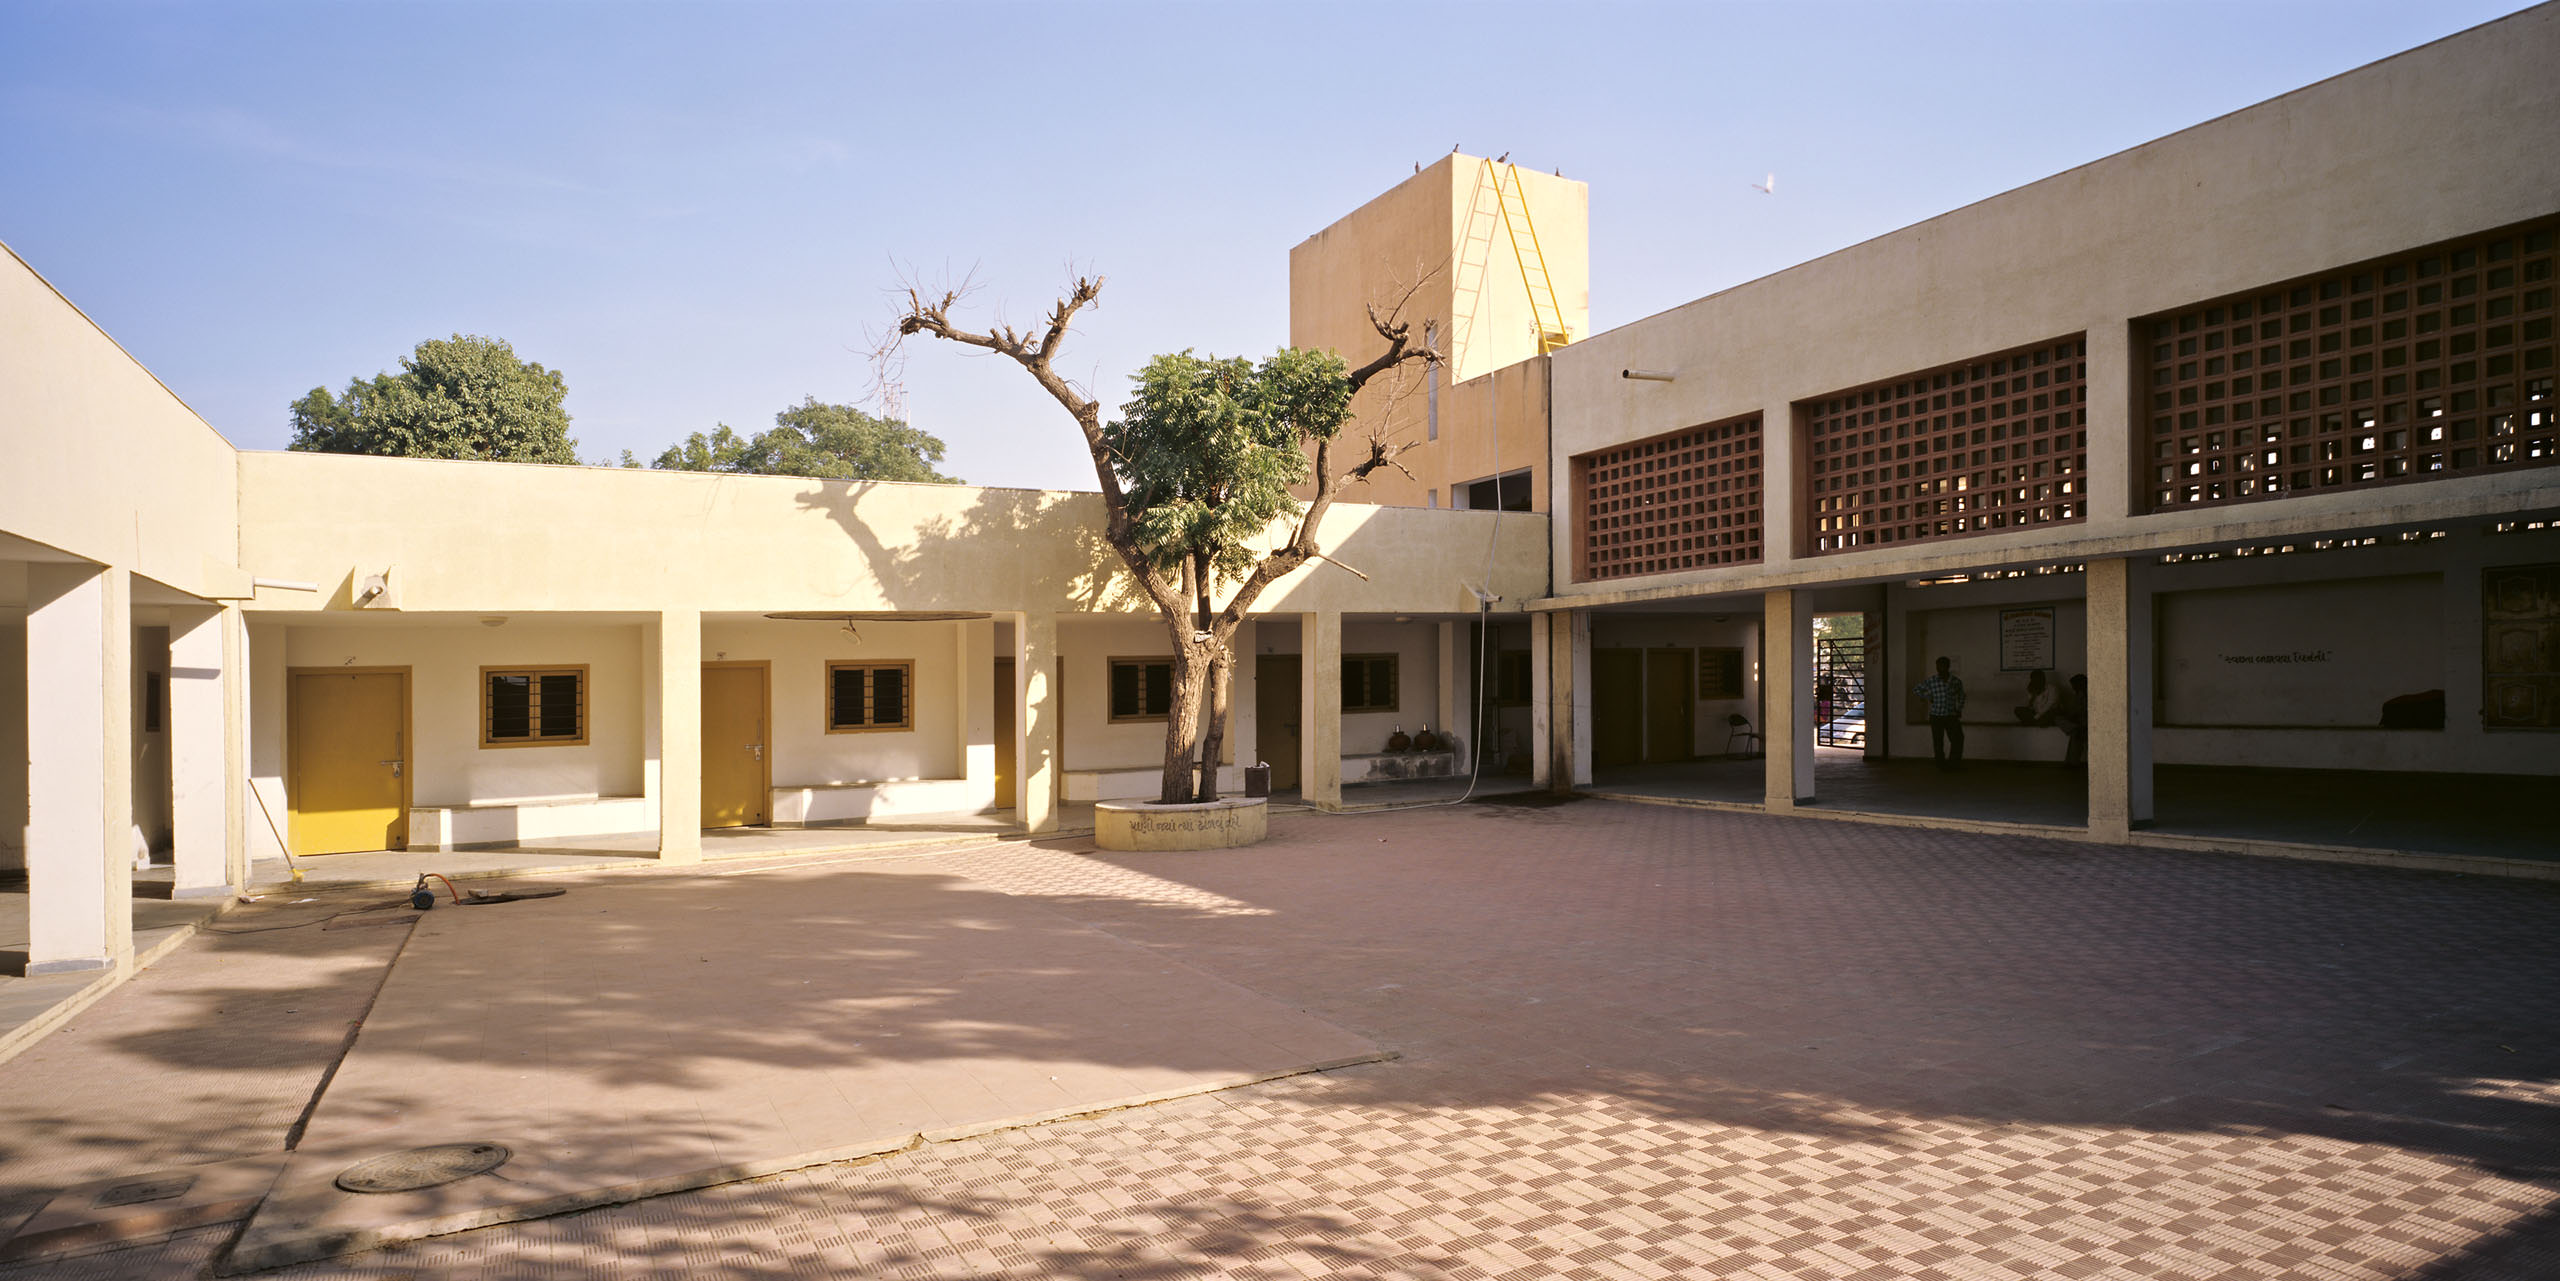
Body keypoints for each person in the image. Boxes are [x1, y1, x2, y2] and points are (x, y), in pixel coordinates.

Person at [1913, 656, 1966, 770]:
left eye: (1943, 665)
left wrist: (1959, 708)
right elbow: (1917, 689)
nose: (1940, 668)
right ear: (1936, 667)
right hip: (1936, 716)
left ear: (1948, 666)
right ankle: (1940, 765)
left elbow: (1961, 695)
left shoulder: (1955, 681)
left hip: (1951, 715)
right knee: (1938, 742)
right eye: (1938, 666)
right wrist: (1929, 696)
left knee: (1958, 739)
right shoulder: (1932, 681)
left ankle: (1954, 764)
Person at [2057, 674, 2089, 767]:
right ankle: (2076, 728)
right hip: (2078, 723)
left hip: (2086, 723)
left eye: (2074, 685)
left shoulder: (2091, 693)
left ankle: (2071, 762)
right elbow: (2072, 711)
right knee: (2058, 718)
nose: (2072, 688)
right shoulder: (2077, 695)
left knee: (2076, 735)